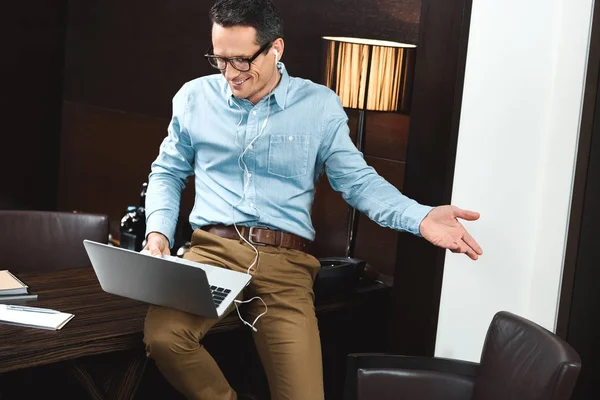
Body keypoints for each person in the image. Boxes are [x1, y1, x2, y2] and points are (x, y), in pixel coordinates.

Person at [142, 0, 483, 399]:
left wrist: (419, 217)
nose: (230, 73)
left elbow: (357, 182)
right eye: (220, 60)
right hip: (212, 253)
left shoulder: (319, 105)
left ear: (275, 49)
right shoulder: (193, 98)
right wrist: (157, 233)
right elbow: (167, 172)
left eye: (241, 60)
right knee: (164, 338)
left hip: (286, 266)